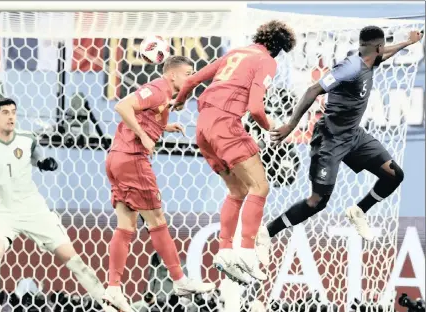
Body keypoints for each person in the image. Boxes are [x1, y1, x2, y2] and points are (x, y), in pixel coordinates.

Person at [258, 27, 423, 251]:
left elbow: (383, 54)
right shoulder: (350, 68)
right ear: (377, 47)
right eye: (382, 48)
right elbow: (312, 90)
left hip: (354, 136)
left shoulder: (369, 57)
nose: (383, 52)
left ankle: (359, 211)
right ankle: (268, 233)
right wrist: (290, 126)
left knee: (394, 174)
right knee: (317, 201)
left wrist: (407, 43)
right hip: (330, 139)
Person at [172, 20, 297, 284]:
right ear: (279, 49)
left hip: (203, 127)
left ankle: (225, 251)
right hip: (226, 125)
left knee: (238, 190)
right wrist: (271, 128)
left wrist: (180, 102)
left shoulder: (236, 53)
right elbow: (255, 108)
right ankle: (247, 253)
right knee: (260, 188)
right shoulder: (266, 61)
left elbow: (192, 80)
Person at [105, 56, 215, 305]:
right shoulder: (157, 89)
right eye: (188, 72)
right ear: (173, 75)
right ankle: (179, 280)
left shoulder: (164, 96)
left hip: (116, 159)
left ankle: (113, 287)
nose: (192, 77)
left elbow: (145, 114)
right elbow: (122, 106)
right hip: (133, 159)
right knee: (157, 221)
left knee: (126, 226)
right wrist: (144, 136)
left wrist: (165, 128)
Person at [0, 98, 120, 312]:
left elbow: (37, 157)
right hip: (2, 211)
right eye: (5, 112)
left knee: (71, 257)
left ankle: (109, 305)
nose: (11, 116)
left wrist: (44, 163)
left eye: (14, 112)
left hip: (32, 209)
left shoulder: (27, 139)